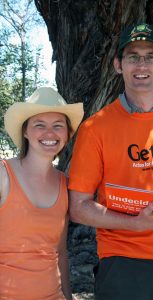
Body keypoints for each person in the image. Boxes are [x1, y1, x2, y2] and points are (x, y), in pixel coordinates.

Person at [68, 23, 153, 300]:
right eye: (133, 56)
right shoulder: (95, 128)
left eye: (151, 56)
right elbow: (78, 208)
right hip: (123, 265)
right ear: (119, 65)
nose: (142, 64)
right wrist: (135, 225)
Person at [0, 87, 83, 300]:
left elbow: (61, 253)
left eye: (58, 126)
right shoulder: (3, 174)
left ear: (68, 134)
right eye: (39, 125)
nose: (49, 133)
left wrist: (68, 297)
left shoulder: (65, 184)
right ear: (25, 131)